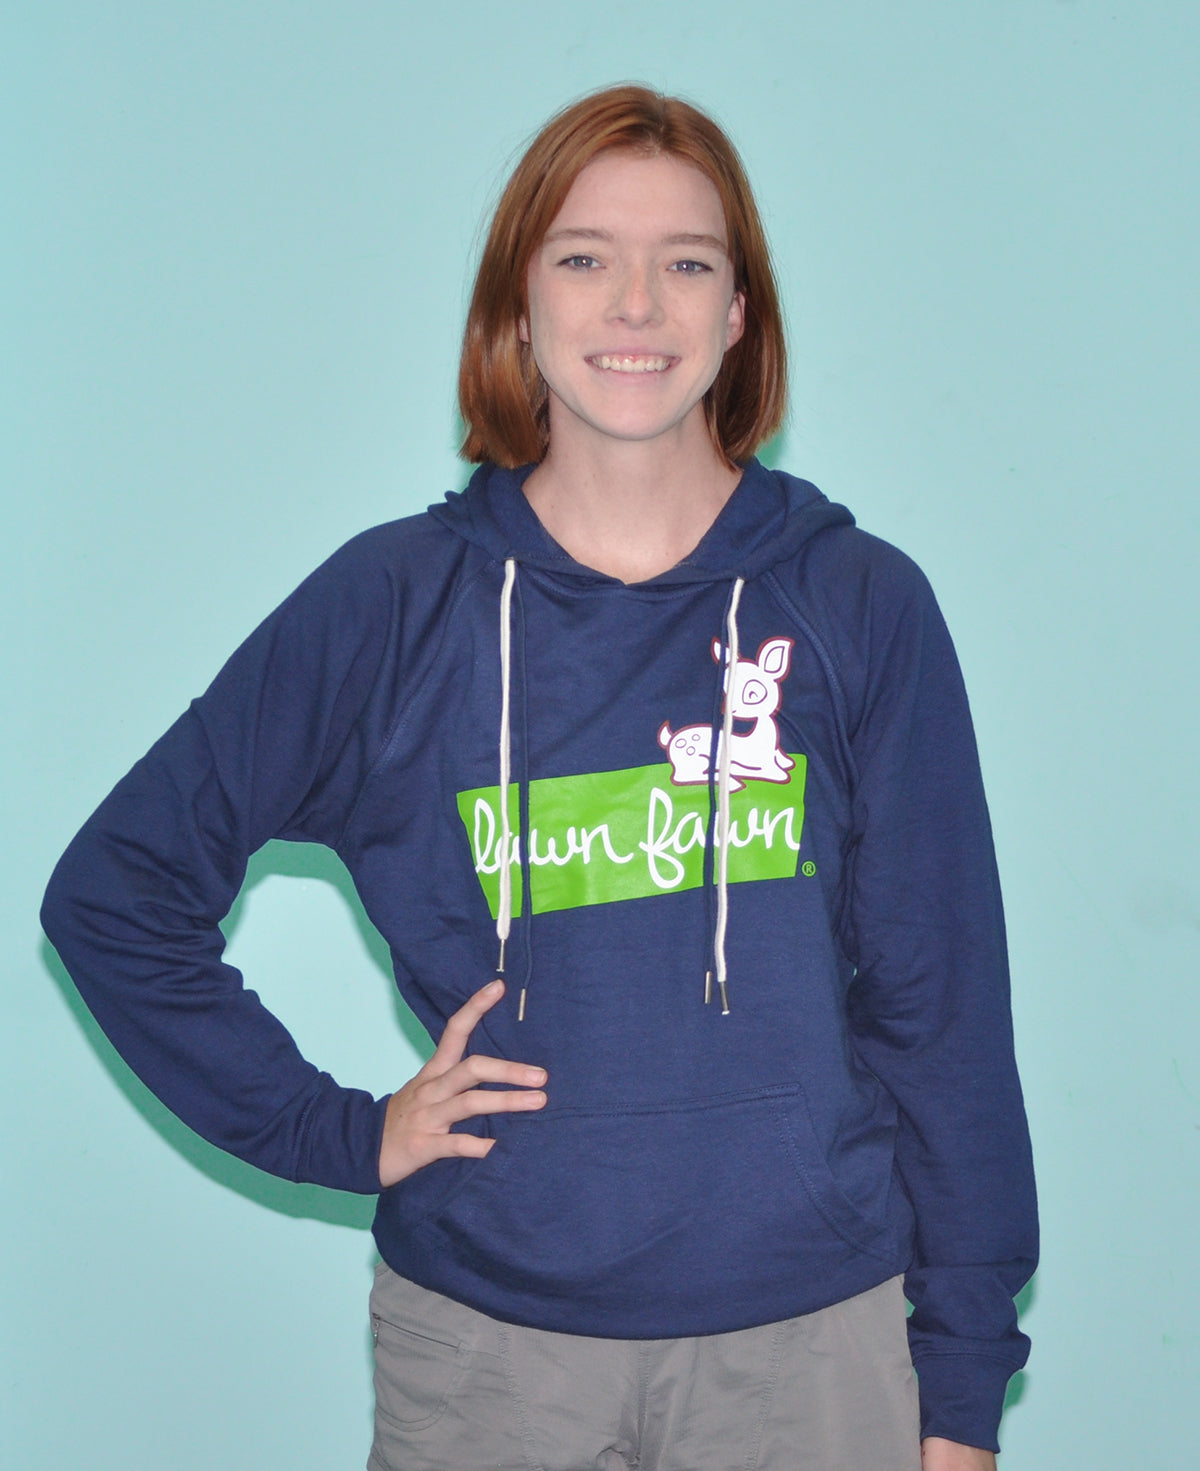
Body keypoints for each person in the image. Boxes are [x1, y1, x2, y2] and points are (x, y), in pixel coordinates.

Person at [42, 85, 1037, 1471]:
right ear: (518, 306)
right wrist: (338, 1133)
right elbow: (113, 893)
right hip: (484, 1357)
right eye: (583, 257)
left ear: (738, 316)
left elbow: (944, 1012)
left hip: (809, 1350)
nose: (636, 304)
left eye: (685, 261)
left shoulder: (860, 606)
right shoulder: (395, 605)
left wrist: (963, 1383)